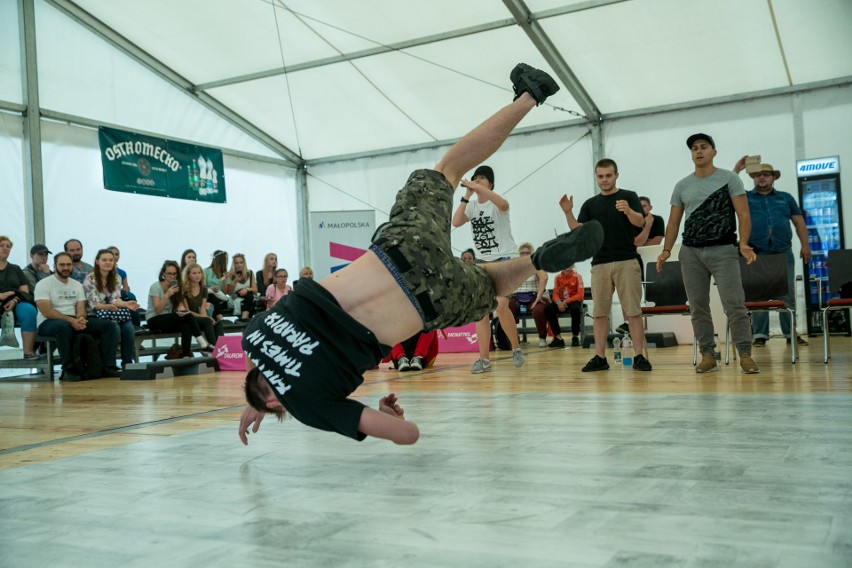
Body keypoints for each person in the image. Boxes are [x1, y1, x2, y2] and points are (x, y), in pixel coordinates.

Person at [239, 63, 603, 445]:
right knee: (448, 169)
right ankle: (530, 95)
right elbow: (256, 360)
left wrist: (384, 415)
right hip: (400, 250)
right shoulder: (257, 335)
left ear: (281, 407)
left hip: (426, 304)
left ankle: (537, 261)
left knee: (491, 282)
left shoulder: (308, 405)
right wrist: (256, 398)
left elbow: (407, 435)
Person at [656, 133, 758, 374]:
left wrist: (743, 244)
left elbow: (743, 214)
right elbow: (673, 223)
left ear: (714, 152)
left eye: (703, 147)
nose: (698, 151)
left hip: (723, 249)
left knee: (734, 304)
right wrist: (666, 250)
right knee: (698, 306)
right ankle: (708, 354)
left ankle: (744, 353)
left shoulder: (730, 179)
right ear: (691, 154)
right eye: (694, 148)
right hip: (690, 253)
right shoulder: (682, 185)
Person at [560, 158, 652, 372]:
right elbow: (579, 231)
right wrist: (567, 212)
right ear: (596, 177)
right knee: (600, 312)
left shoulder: (628, 196)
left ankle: (639, 356)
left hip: (627, 260)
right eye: (600, 176)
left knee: (633, 311)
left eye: (608, 175)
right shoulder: (590, 204)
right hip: (600, 263)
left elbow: (640, 222)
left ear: (616, 175)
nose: (604, 180)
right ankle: (600, 357)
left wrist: (628, 211)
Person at [451, 164, 525, 373]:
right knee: (481, 312)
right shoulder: (473, 206)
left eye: (482, 178)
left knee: (501, 305)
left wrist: (480, 188)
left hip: (504, 260)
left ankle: (516, 348)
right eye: (475, 177)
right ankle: (484, 360)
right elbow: (456, 222)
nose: (477, 181)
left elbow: (503, 203)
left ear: (490, 183)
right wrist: (466, 195)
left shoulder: (496, 204)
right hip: (482, 261)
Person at [732, 159, 811, 347]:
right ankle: (759, 335)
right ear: (753, 178)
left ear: (773, 177)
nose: (762, 178)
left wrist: (805, 246)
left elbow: (799, 222)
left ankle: (791, 334)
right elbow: (725, 189)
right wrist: (736, 170)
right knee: (757, 295)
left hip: (782, 252)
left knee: (786, 294)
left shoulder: (786, 198)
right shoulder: (745, 197)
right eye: (758, 175)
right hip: (755, 253)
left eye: (766, 174)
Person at [34, 252, 121, 381]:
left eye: (68, 264)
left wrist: (80, 319)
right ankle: (68, 370)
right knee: (64, 327)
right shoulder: (44, 284)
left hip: (74, 319)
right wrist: (71, 321)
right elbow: (47, 311)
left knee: (110, 326)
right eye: (62, 265)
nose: (65, 268)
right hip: (49, 321)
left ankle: (108, 367)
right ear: (55, 265)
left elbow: (81, 309)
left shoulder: (76, 285)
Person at [615, 195, 666, 334]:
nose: (642, 208)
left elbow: (655, 241)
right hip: (632, 260)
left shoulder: (658, 220)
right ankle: (627, 323)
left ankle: (656, 322)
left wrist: (645, 232)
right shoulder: (631, 221)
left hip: (651, 261)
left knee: (652, 290)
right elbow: (635, 243)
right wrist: (647, 227)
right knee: (628, 291)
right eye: (639, 206)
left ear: (650, 207)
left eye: (644, 206)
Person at [83, 249, 137, 371]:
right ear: (97, 262)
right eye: (104, 260)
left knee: (128, 326)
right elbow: (94, 304)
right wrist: (110, 307)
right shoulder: (90, 279)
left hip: (110, 313)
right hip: (93, 316)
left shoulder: (117, 278)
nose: (108, 262)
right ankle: (109, 364)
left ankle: (128, 363)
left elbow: (115, 299)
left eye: (111, 260)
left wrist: (125, 304)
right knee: (114, 327)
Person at [146, 260, 213, 358]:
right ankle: (203, 344)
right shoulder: (155, 287)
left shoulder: (176, 287)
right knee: (188, 316)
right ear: (163, 273)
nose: (172, 276)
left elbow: (182, 308)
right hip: (154, 319)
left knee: (186, 325)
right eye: (169, 274)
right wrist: (167, 295)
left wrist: (181, 311)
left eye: (174, 274)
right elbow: (158, 310)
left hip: (169, 318)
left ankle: (186, 355)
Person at [0, 236, 39, 358]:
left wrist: (15, 300)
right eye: (2, 245)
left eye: (8, 246)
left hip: (15, 301)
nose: (6, 248)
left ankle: (28, 352)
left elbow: (25, 292)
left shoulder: (15, 269)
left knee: (29, 311)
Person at [507, 242, 551, 348]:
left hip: (535, 295)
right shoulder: (515, 267)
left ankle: (542, 338)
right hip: (519, 297)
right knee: (506, 309)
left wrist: (538, 297)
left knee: (538, 310)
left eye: (528, 253)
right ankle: (514, 338)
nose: (525, 255)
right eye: (522, 253)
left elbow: (544, 278)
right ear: (519, 254)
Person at [181, 262, 222, 348]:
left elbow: (203, 309)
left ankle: (221, 349)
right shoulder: (184, 289)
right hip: (189, 318)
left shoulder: (203, 288)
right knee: (207, 321)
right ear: (188, 275)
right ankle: (214, 349)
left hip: (199, 316)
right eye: (194, 273)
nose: (197, 275)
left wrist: (206, 317)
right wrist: (205, 318)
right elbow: (187, 311)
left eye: (199, 273)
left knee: (217, 323)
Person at [547, 264, 585, 347]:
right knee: (549, 308)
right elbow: (555, 294)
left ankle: (575, 336)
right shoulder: (557, 277)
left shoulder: (577, 276)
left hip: (573, 300)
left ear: (573, 265)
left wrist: (566, 302)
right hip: (560, 301)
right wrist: (558, 303)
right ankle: (558, 337)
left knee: (575, 309)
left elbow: (580, 295)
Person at [204, 250, 233, 320]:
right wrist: (211, 288)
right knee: (212, 296)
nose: (226, 261)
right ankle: (220, 318)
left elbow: (225, 292)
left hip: (220, 298)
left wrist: (223, 280)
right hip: (209, 296)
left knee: (215, 299)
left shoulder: (225, 273)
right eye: (225, 259)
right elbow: (202, 286)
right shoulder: (206, 271)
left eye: (227, 259)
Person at [229, 253, 257, 321]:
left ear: (244, 263)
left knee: (250, 294)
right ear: (234, 264)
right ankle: (245, 318)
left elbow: (255, 289)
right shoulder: (230, 274)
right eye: (237, 263)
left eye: (241, 262)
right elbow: (229, 292)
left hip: (248, 296)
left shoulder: (250, 273)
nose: (239, 265)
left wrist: (246, 290)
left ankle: (244, 317)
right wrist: (235, 281)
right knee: (250, 296)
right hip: (234, 296)